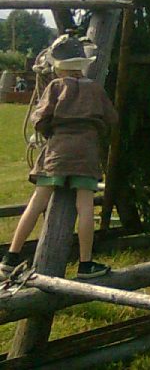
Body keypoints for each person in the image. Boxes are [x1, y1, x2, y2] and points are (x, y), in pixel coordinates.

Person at [1, 36, 118, 279]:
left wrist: (51, 132)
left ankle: (11, 257)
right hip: (86, 152)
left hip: (57, 151)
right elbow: (112, 120)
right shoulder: (95, 89)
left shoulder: (55, 87)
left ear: (58, 65)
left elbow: (40, 118)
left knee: (36, 203)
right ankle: (86, 264)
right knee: (84, 206)